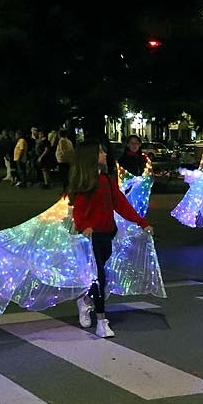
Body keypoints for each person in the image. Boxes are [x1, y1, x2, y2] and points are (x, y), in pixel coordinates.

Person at [69, 142, 153, 338]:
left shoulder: (107, 180)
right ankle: (101, 321)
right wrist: (84, 227)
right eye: (99, 151)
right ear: (90, 157)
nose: (104, 154)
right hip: (91, 237)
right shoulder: (85, 184)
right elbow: (78, 211)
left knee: (101, 278)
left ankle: (85, 301)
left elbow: (121, 205)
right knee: (99, 277)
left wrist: (142, 222)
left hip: (107, 234)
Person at [56, 127, 75, 193]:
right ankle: (67, 189)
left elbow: (64, 151)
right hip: (67, 160)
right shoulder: (68, 141)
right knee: (66, 175)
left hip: (63, 160)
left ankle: (65, 190)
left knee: (64, 175)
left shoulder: (62, 141)